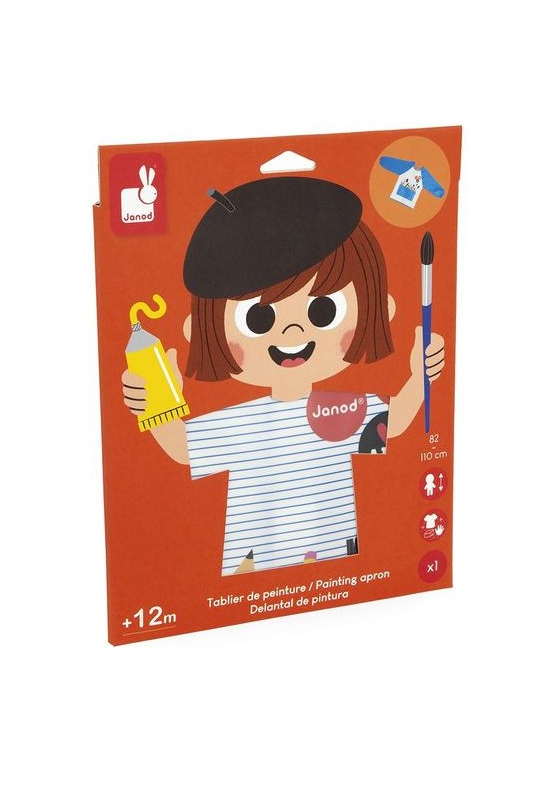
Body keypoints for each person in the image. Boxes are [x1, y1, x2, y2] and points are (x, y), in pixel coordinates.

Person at [122, 177, 444, 575]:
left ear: (381, 310)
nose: (292, 334)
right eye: (258, 319)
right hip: (252, 576)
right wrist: (154, 399)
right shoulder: (243, 423)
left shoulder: (338, 411)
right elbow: (182, 449)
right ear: (200, 332)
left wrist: (420, 376)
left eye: (324, 311)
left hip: (334, 569)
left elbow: (395, 422)